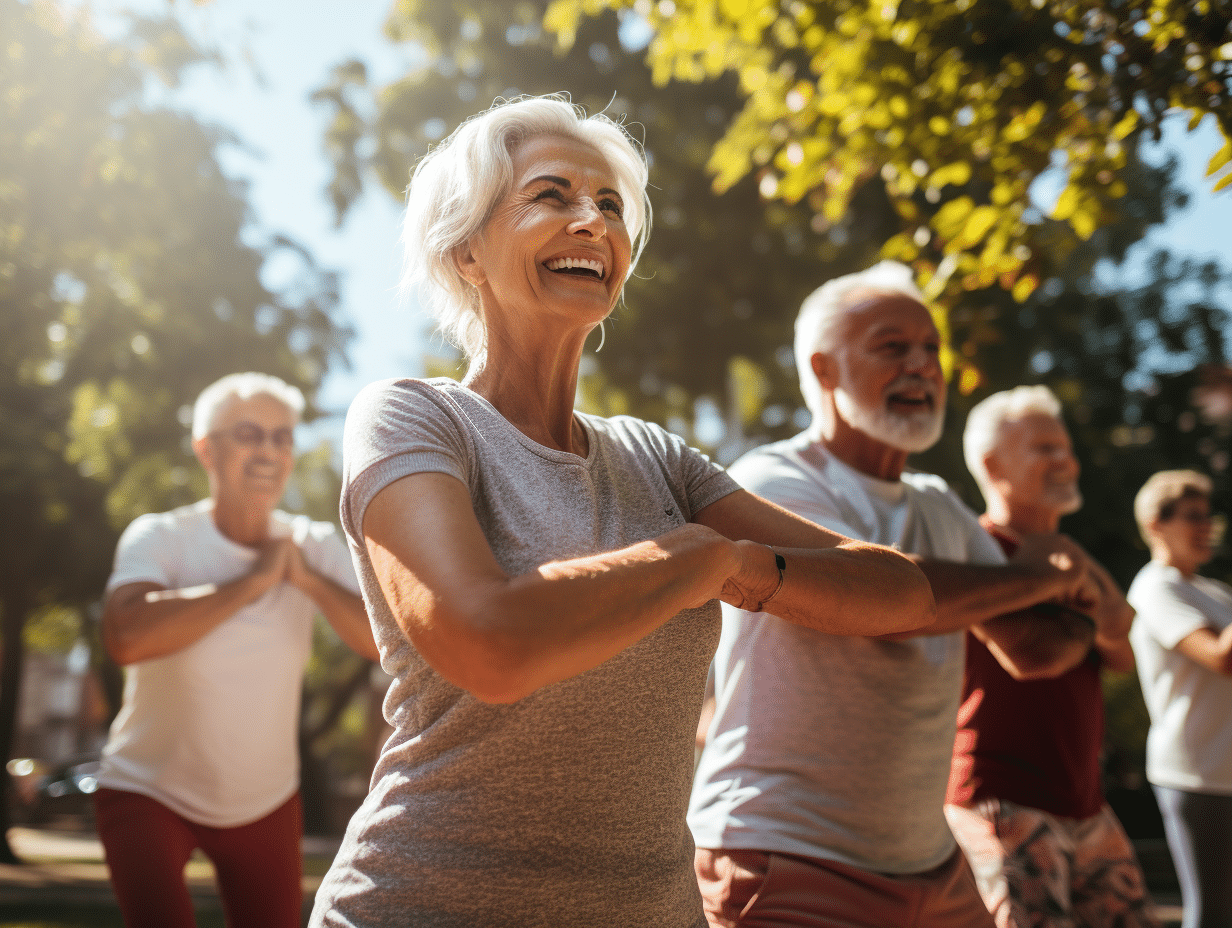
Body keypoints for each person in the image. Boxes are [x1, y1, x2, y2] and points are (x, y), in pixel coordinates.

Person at [309, 96, 934, 928]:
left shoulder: (658, 459)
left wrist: (737, 563)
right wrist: (689, 562)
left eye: (609, 206)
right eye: (551, 195)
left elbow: (901, 596)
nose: (590, 222)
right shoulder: (412, 418)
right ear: (465, 250)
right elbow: (487, 644)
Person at [688, 261, 1117, 928]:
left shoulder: (939, 504)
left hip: (932, 866)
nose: (923, 366)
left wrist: (1045, 602)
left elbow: (1037, 648)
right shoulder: (771, 479)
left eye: (931, 350)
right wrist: (1042, 578)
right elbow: (877, 609)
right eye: (893, 347)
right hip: (784, 853)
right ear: (824, 371)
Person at [95, 372, 378, 928]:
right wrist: (251, 582)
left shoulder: (313, 546)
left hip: (265, 802)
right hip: (149, 789)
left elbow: (387, 643)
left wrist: (308, 581)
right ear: (206, 448)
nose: (269, 451)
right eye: (249, 433)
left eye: (282, 437)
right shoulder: (160, 537)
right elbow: (125, 636)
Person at [944, 385, 1158, 928]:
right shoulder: (974, 548)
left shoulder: (1073, 554)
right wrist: (1094, 620)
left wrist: (1097, 626)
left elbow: (1122, 651)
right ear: (993, 464)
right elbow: (1036, 654)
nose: (1066, 460)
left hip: (1085, 803)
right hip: (1001, 802)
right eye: (1044, 448)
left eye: (1065, 447)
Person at [1128, 470, 1232, 928]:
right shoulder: (1155, 587)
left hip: (1224, 769)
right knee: (1211, 913)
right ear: (1156, 523)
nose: (1206, 525)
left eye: (1207, 516)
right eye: (1193, 516)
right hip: (1196, 772)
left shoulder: (1215, 592)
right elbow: (1220, 658)